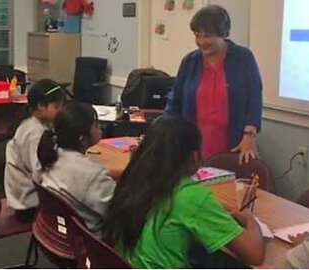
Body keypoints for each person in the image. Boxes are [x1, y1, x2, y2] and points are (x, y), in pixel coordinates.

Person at [104, 116, 265, 268]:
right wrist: (252, 221)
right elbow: (255, 255)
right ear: (195, 157)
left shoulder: (134, 180)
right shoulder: (192, 196)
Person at [164, 5, 263, 164]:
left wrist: (249, 135)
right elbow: (175, 101)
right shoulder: (190, 61)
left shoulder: (243, 58)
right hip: (194, 144)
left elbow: (254, 99)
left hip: (233, 143)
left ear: (225, 34)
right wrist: (167, 135)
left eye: (207, 36)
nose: (201, 42)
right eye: (197, 35)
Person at [37, 102, 116, 236]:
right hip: (89, 243)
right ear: (82, 138)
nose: (100, 129)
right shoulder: (94, 175)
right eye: (96, 125)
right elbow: (119, 212)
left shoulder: (51, 156)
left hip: (56, 234)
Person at [4, 79, 65, 222]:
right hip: (29, 204)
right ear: (41, 106)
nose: (60, 112)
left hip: (20, 195)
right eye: (57, 107)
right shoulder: (35, 133)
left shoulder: (29, 123)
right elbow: (39, 174)